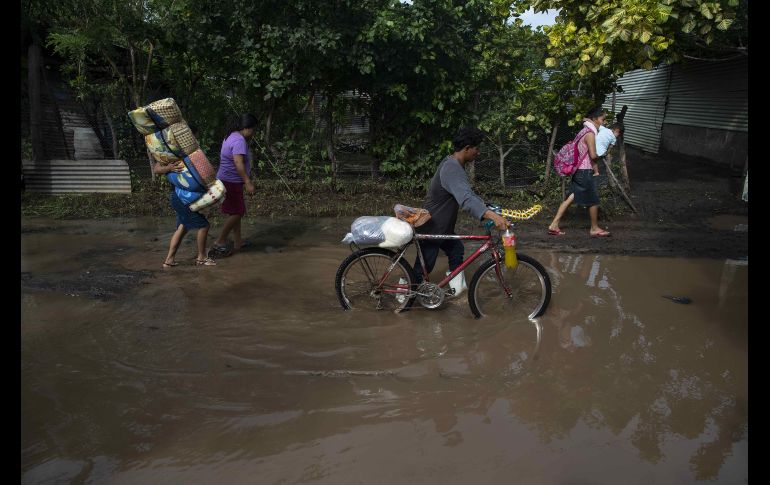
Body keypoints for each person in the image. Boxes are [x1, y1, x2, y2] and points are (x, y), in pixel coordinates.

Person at [412, 127, 508, 290]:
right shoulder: (452, 168)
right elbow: (466, 199)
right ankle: (404, 300)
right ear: (467, 148)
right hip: (433, 228)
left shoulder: (453, 164)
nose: (477, 153)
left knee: (456, 249)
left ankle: (457, 290)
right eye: (476, 149)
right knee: (421, 270)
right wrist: (492, 216)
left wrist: (486, 207)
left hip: (443, 227)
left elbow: (466, 193)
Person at [547, 106, 612, 238]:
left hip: (579, 171)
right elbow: (593, 156)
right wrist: (604, 154)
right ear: (594, 119)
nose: (604, 122)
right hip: (584, 171)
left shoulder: (584, 131)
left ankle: (554, 224)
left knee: (571, 197)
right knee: (593, 200)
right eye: (602, 119)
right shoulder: (590, 134)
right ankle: (594, 228)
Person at [153, 160, 217, 268]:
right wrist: (169, 168)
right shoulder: (170, 155)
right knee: (204, 225)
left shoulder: (187, 155)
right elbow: (156, 168)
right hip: (181, 199)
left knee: (183, 227)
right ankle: (202, 258)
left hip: (181, 198)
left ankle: (169, 260)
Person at [210, 114, 258, 255]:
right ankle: (220, 240)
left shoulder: (230, 136)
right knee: (238, 212)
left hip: (227, 180)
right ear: (247, 128)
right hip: (231, 181)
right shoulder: (239, 141)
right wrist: (248, 182)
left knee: (235, 211)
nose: (254, 132)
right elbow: (238, 163)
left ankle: (238, 241)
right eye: (253, 129)